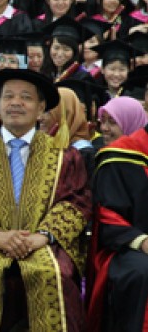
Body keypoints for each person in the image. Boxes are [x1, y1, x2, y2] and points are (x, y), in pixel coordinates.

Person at [0, 69, 91, 331]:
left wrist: (43, 236)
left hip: (42, 241)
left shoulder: (64, 155)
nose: (16, 103)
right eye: (8, 96)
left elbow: (76, 202)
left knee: (54, 273)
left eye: (26, 97)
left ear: (40, 109)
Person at [90, 78, 148, 331]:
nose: (105, 128)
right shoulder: (119, 155)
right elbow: (107, 214)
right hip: (129, 246)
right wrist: (142, 242)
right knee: (140, 271)